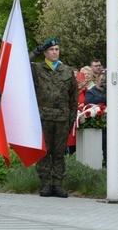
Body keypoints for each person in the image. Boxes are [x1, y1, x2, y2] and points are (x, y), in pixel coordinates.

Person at [31, 37, 78, 198]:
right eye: (51, 49)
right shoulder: (37, 69)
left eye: (57, 49)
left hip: (61, 117)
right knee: (44, 151)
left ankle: (57, 184)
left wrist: (72, 117)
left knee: (59, 153)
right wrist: (34, 53)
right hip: (43, 115)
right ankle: (45, 184)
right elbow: (19, 65)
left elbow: (74, 97)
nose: (55, 52)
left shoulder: (67, 71)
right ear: (45, 52)